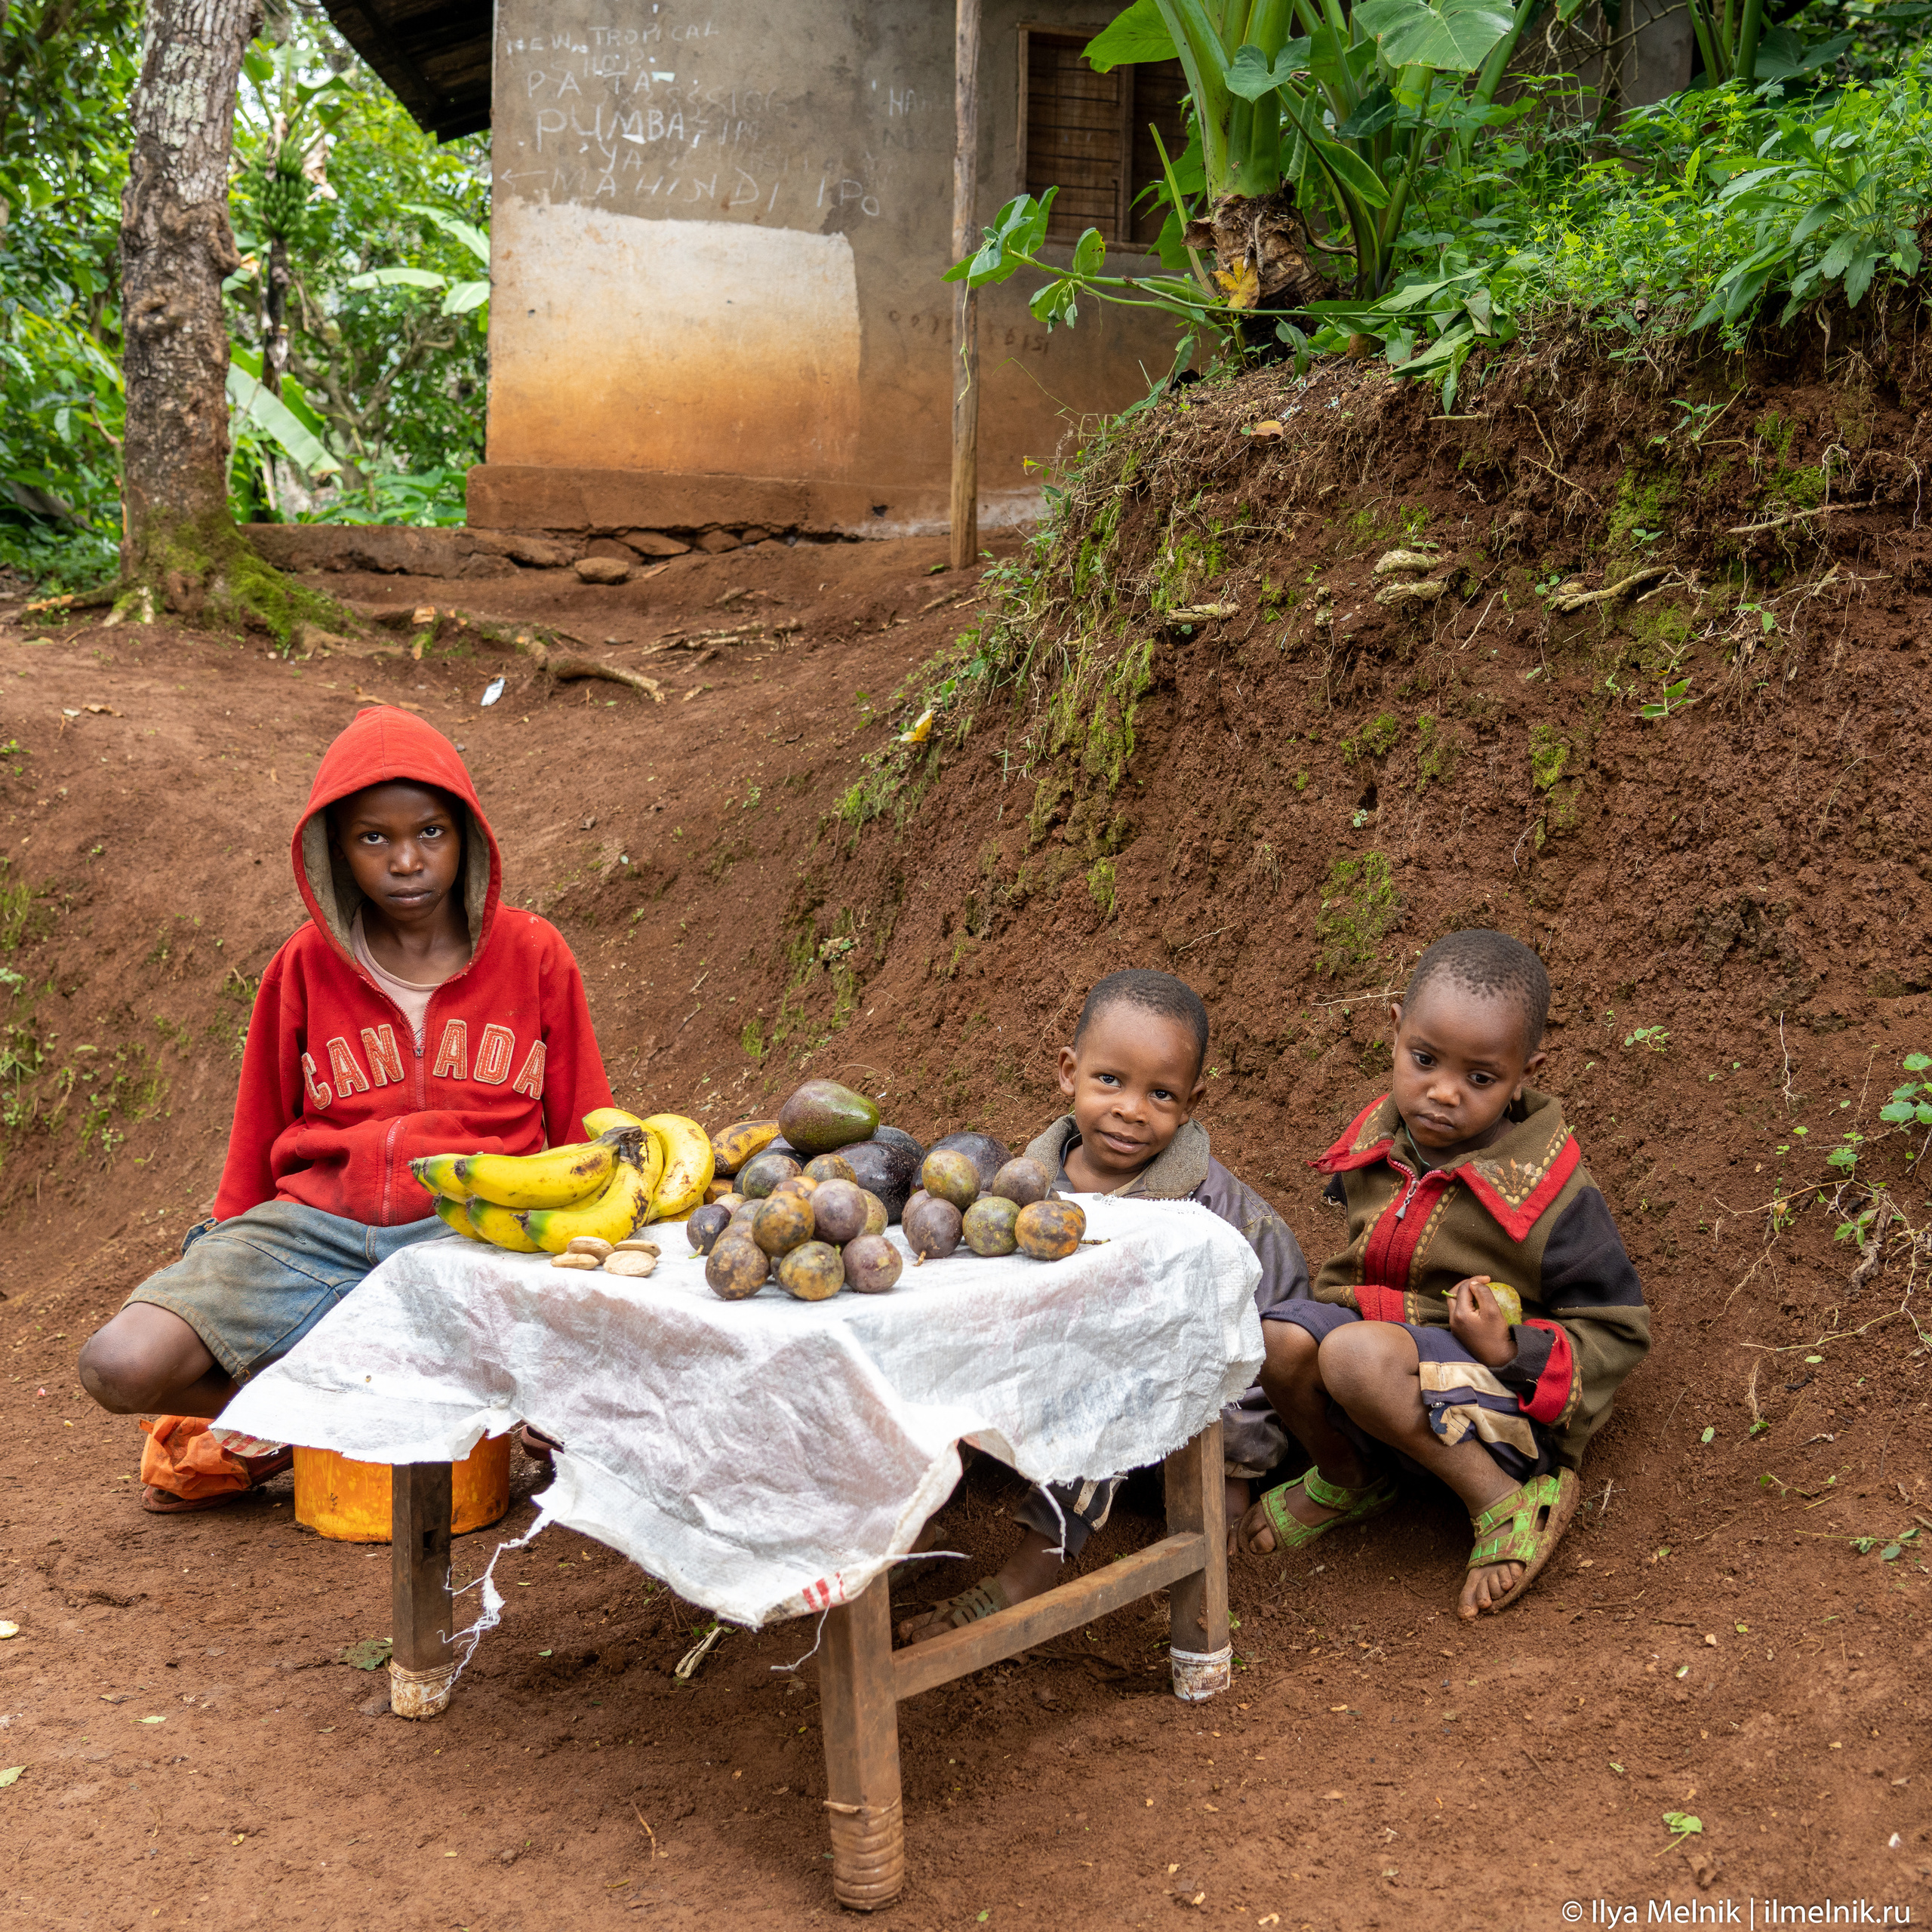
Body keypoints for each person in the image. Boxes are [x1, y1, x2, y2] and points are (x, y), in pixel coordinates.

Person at [75, 706, 614, 1512]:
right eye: (374, 838)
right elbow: (258, 1129)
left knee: (585, 1414)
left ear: (467, 835)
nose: (405, 860)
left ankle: (446, 1413)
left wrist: (588, 1285)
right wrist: (223, 1258)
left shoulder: (534, 954)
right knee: (119, 1365)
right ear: (335, 849)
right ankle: (299, 1417)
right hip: (317, 1236)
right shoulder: (299, 967)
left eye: (430, 832)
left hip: (472, 1227)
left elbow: (584, 1125)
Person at [1236, 928, 1650, 1619]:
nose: (1443, 1094)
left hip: (1493, 1395)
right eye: (1424, 1060)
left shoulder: (1550, 1192)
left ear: (1524, 1074)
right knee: (1274, 1339)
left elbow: (1620, 1328)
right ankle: (1351, 1475)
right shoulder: (1381, 1138)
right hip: (1381, 1360)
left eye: (1480, 1079)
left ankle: (1503, 1498)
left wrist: (1512, 1350)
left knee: (1355, 1356)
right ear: (1395, 1032)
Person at [899, 968, 1311, 1644]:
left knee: (1118, 1364)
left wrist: (1235, 1475)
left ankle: (1029, 1571)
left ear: (1192, 1102)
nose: (1130, 1109)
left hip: (1189, 1420)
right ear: (1069, 1073)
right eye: (1110, 1081)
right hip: (1057, 1411)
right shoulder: (1024, 1192)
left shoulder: (1212, 1219)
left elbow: (1258, 1347)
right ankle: (911, 1528)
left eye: (1161, 1094)